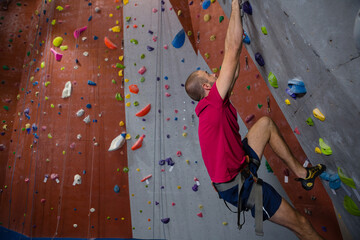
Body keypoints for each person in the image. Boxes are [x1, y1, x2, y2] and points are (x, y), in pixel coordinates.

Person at [185, 1, 326, 239]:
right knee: (300, 224)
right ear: (207, 86)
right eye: (209, 74)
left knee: (265, 125)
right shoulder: (212, 105)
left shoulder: (216, 104)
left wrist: (239, 25)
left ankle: (302, 175)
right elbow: (231, 50)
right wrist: (234, 6)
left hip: (241, 166)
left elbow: (235, 61)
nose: (214, 73)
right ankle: (269, 209)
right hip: (241, 189)